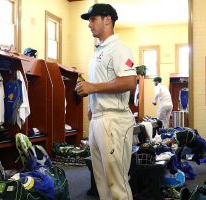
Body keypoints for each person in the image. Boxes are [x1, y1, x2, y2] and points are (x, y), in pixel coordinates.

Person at [76, 3, 137, 200]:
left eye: (93, 19)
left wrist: (92, 88)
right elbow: (100, 82)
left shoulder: (119, 48)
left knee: (117, 183)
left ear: (107, 19)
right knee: (102, 183)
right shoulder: (98, 51)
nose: (89, 25)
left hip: (114, 121)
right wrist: (90, 105)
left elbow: (129, 81)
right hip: (99, 120)